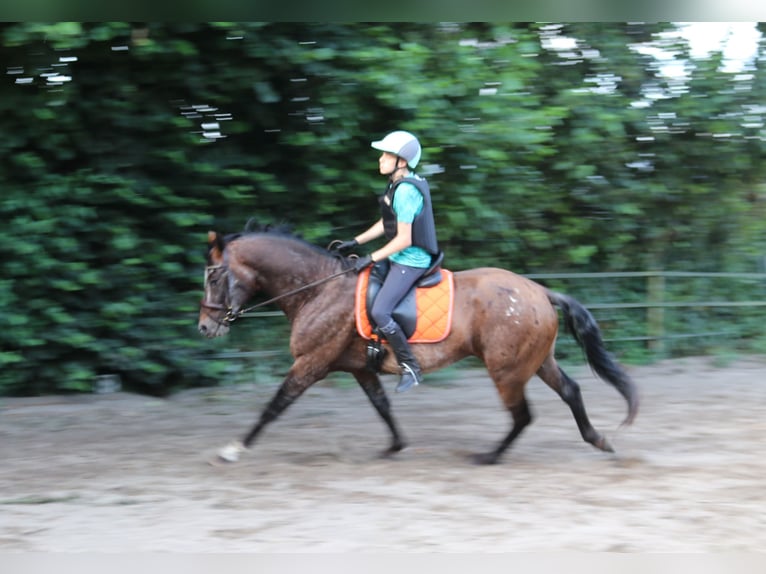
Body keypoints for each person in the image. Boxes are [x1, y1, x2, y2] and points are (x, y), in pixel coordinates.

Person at [336, 130, 440, 393]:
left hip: (412, 260)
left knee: (381, 310)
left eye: (386, 155)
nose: (380, 159)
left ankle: (410, 367)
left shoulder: (406, 191)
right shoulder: (399, 185)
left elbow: (404, 239)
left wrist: (370, 257)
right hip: (398, 257)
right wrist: (356, 242)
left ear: (401, 162)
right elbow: (387, 223)